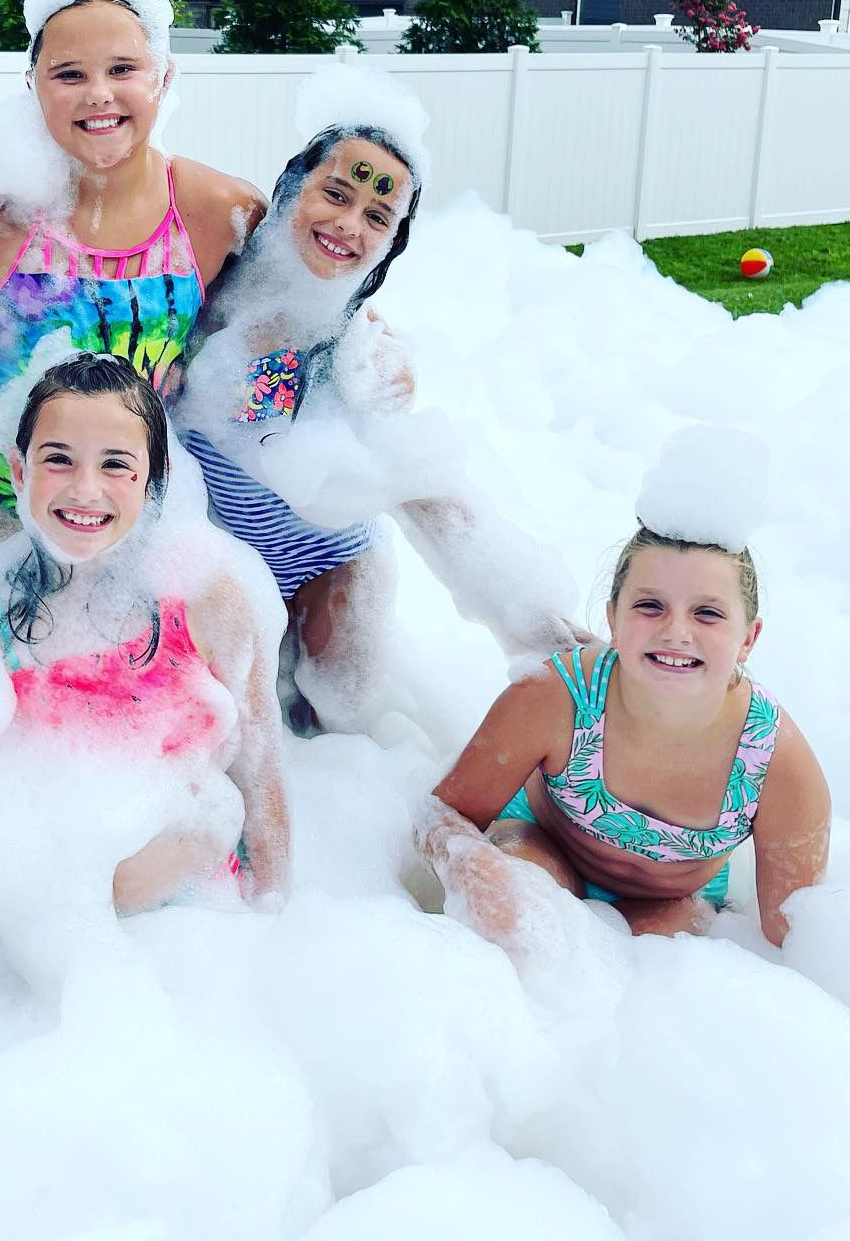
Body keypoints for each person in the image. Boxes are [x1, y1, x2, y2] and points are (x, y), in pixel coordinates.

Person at [179, 87, 582, 737]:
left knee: (343, 709)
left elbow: (423, 492)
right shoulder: (209, 281)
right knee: (228, 717)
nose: (349, 224)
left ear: (392, 241)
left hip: (334, 558)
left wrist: (544, 633)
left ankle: (566, 658)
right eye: (337, 193)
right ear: (291, 186)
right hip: (230, 559)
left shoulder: (360, 346)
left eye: (378, 215)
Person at [0, 0, 266, 521]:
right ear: (33, 88)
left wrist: (366, 359)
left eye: (124, 68)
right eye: (70, 74)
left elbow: (303, 302)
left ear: (164, 76)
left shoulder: (217, 210)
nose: (99, 94)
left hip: (145, 529)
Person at [0, 352, 290, 913]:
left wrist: (273, 915)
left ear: (153, 480)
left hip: (195, 913)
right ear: (20, 472)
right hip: (45, 903)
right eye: (59, 459)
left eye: (116, 465)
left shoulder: (207, 595)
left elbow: (259, 772)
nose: (86, 489)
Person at [421, 525, 830, 945]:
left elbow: (797, 937)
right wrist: (472, 870)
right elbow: (441, 813)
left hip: (672, 900)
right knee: (517, 910)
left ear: (748, 638)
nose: (676, 631)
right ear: (613, 618)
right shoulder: (559, 697)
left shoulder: (774, 761)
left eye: (707, 613)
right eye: (650, 605)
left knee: (663, 942)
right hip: (544, 845)